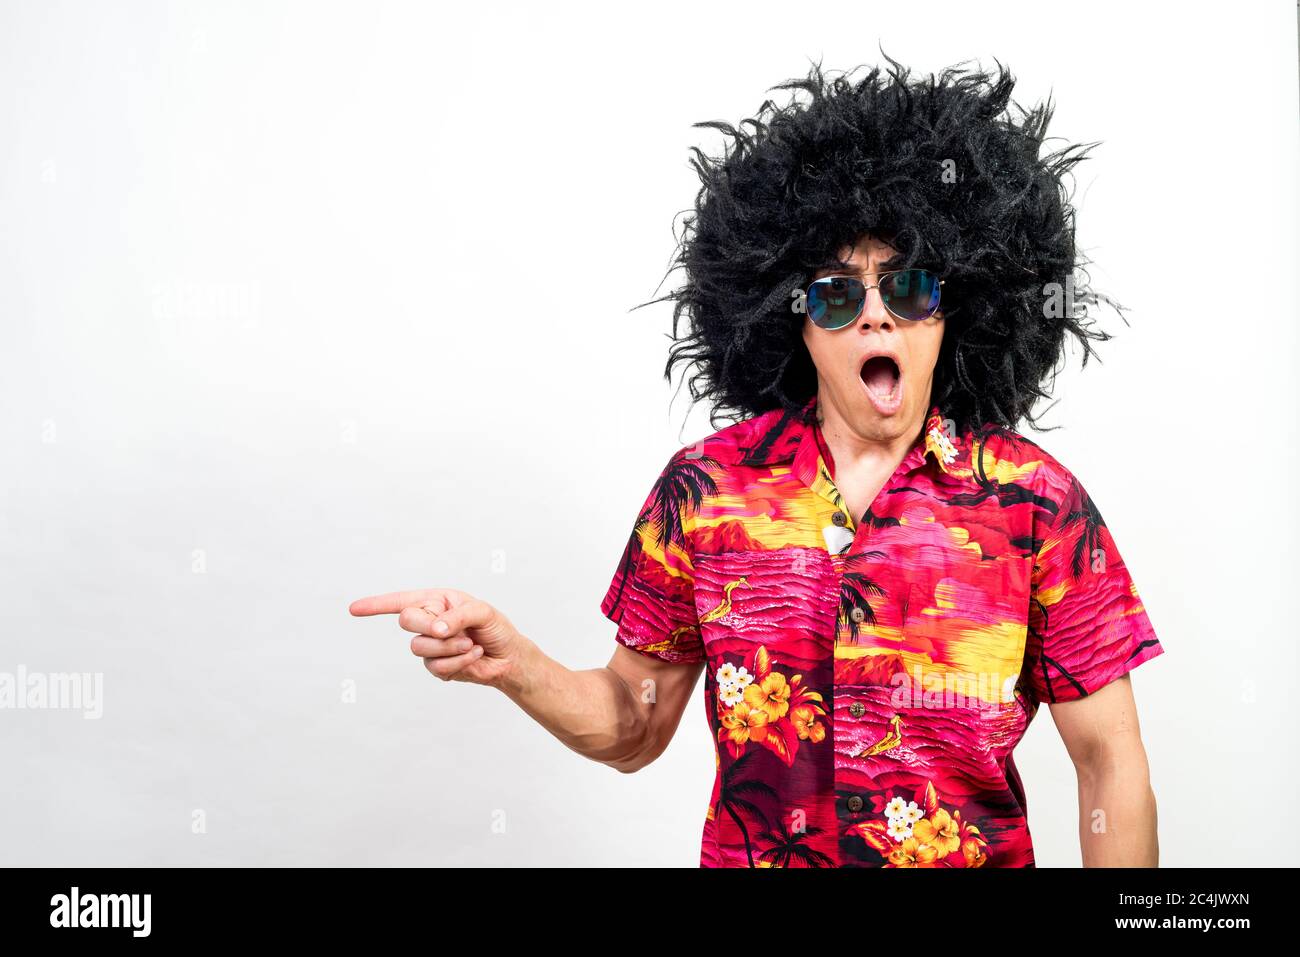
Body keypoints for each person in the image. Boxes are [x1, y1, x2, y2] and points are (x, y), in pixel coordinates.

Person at [349, 55, 1166, 868]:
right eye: (838, 294)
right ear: (799, 324)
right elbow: (634, 725)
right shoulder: (705, 491)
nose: (876, 318)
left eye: (909, 289)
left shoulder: (1035, 505)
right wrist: (517, 663)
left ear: (953, 312)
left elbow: (1109, 764)